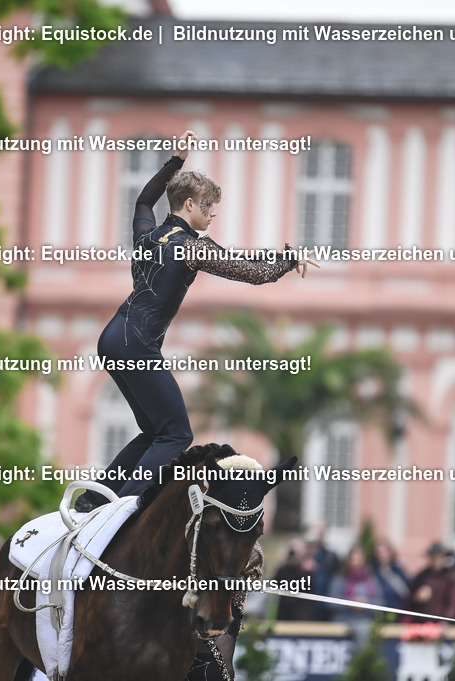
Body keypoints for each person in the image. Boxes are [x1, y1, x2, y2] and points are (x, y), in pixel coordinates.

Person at [77, 131, 317, 509]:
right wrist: (288, 259)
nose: (213, 213)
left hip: (112, 337)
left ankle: (92, 501)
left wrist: (176, 161)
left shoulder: (148, 234)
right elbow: (253, 273)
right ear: (189, 204)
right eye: (208, 205)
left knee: (155, 431)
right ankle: (121, 511)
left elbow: (144, 200)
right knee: (177, 435)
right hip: (137, 343)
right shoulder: (191, 247)